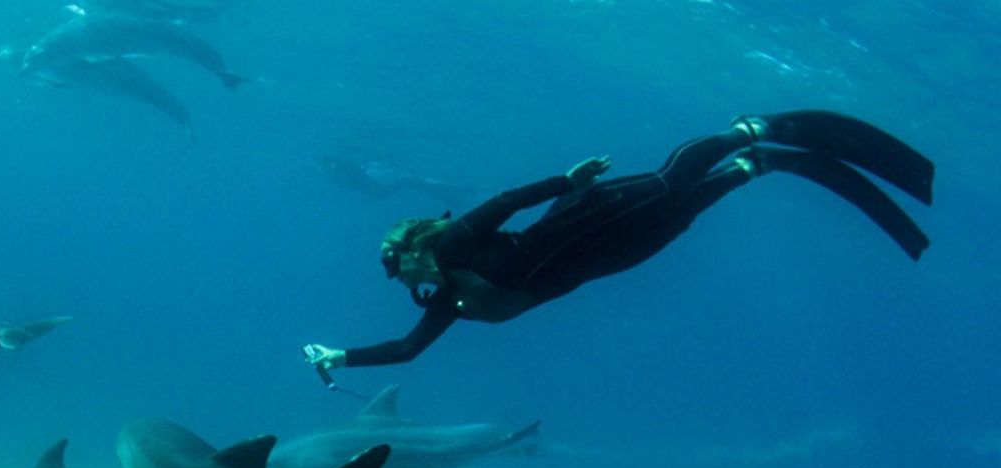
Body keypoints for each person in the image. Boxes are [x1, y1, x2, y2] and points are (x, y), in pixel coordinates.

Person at [302, 111, 934, 377]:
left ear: (411, 244)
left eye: (397, 265)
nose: (406, 279)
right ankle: (756, 166)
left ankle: (747, 131)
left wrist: (566, 181)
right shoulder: (447, 302)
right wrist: (340, 355)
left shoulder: (456, 246)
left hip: (589, 214)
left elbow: (504, 205)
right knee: (680, 214)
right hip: (609, 255)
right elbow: (408, 351)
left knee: (667, 181)